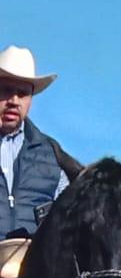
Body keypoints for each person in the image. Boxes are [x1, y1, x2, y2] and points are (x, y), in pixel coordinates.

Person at [0, 45, 73, 242]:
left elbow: (71, 217)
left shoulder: (52, 156)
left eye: (23, 94)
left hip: (33, 268)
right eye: (6, 91)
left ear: (31, 99)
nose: (14, 101)